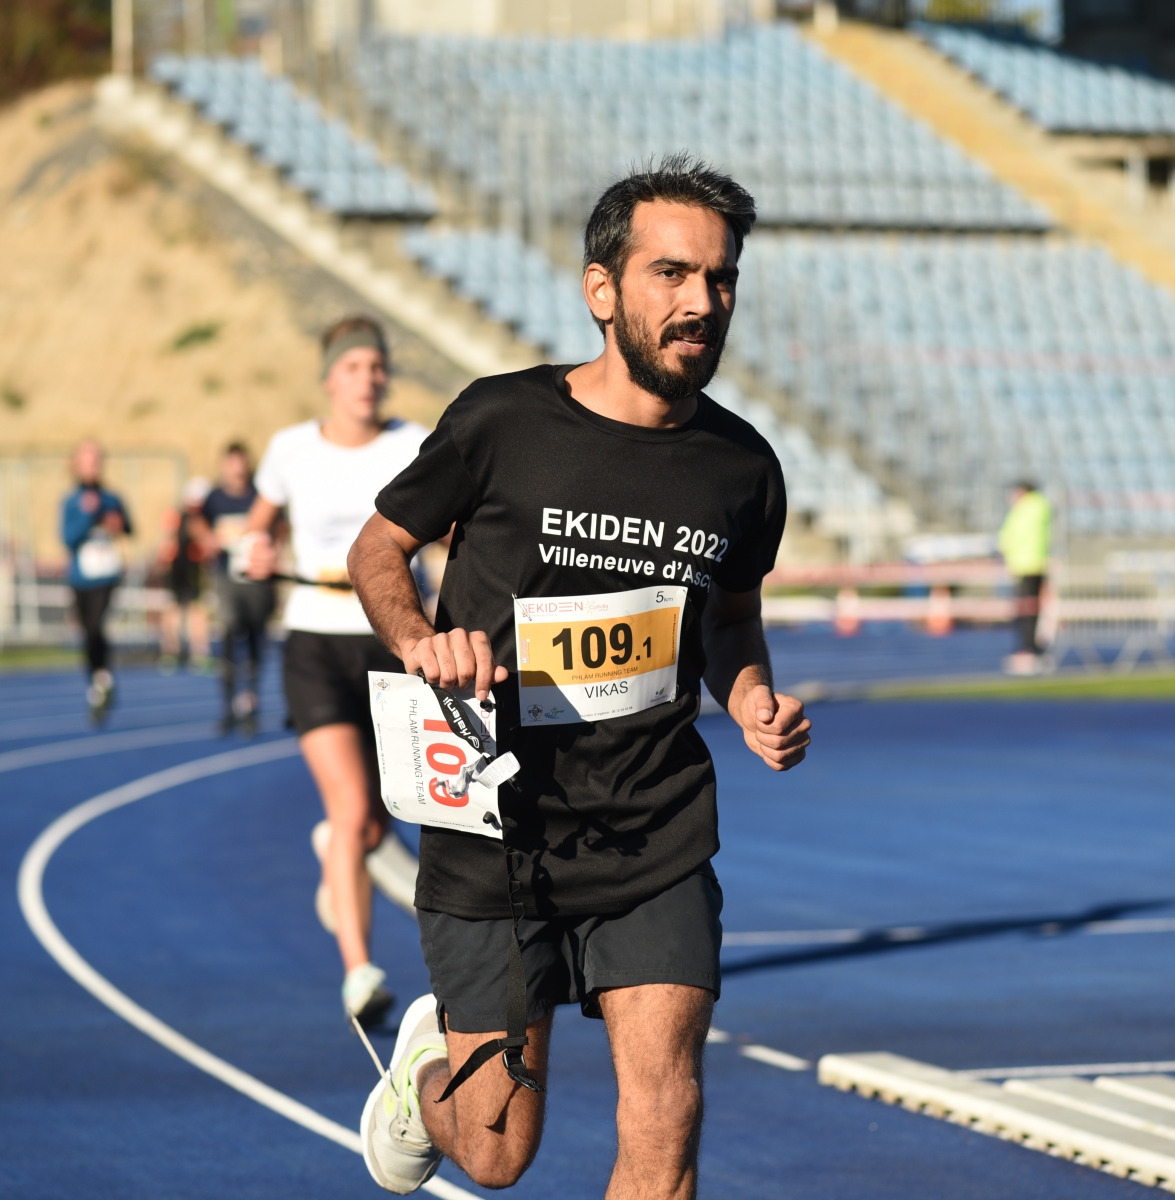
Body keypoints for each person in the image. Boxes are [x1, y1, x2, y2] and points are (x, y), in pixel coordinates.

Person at [346, 156, 811, 1198]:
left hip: (654, 824)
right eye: (671, 274)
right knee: (496, 1152)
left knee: (665, 1115)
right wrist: (422, 641)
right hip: (492, 822)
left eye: (720, 278)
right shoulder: (501, 423)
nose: (702, 302)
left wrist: (750, 699)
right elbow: (377, 551)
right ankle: (426, 1079)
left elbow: (731, 619)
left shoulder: (744, 469)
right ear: (601, 290)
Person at [243, 315, 429, 1023]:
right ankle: (359, 972)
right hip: (316, 643)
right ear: (329, 378)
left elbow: (450, 527)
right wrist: (255, 551)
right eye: (353, 366)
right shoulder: (290, 450)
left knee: (383, 818)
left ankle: (340, 856)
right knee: (350, 809)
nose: (367, 378)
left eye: (376, 366)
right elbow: (255, 530)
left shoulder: (414, 445)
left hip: (395, 642)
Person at [203, 443, 274, 734]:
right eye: (231, 462)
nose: (237, 468)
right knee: (230, 637)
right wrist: (207, 538)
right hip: (227, 579)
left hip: (256, 580)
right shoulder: (214, 498)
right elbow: (194, 521)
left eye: (241, 462)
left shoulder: (260, 495)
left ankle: (250, 703)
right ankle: (228, 706)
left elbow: (279, 524)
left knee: (256, 640)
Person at [60, 439, 133, 724]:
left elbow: (129, 527)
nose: (92, 466)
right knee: (88, 632)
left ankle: (101, 680)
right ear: (76, 464)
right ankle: (98, 680)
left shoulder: (111, 498)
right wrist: (90, 514)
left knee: (96, 625)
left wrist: (117, 523)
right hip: (82, 576)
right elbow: (68, 538)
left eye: (96, 460)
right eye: (87, 461)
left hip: (107, 574)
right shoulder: (71, 501)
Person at [156, 477, 214, 675]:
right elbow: (167, 541)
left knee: (197, 610)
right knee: (173, 609)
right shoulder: (176, 516)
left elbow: (206, 543)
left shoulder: (202, 518)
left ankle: (200, 652)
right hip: (176, 567)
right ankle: (171, 650)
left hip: (194, 567)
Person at [999, 479, 1052, 676]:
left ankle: (1027, 650)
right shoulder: (1041, 506)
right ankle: (1032, 648)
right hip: (1036, 563)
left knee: (1026, 610)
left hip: (1025, 564)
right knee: (1032, 610)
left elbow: (1009, 536)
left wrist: (1005, 551)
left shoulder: (1024, 509)